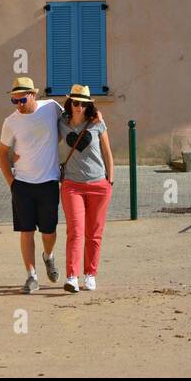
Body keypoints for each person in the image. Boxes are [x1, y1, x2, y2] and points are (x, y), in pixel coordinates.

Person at [0, 76, 63, 294]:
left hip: (49, 181)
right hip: (22, 184)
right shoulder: (10, 122)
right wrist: (11, 182)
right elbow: (2, 152)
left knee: (49, 231)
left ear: (33, 95)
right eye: (14, 101)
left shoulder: (52, 108)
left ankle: (48, 256)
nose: (18, 105)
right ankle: (31, 276)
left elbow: (69, 125)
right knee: (26, 231)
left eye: (22, 100)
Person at [57, 85, 114, 293]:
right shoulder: (61, 123)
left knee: (94, 233)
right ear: (70, 103)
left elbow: (107, 153)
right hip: (72, 186)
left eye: (83, 103)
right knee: (75, 231)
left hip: (99, 185)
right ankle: (72, 276)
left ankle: (90, 274)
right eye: (75, 102)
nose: (79, 107)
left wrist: (110, 181)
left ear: (88, 105)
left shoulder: (97, 123)